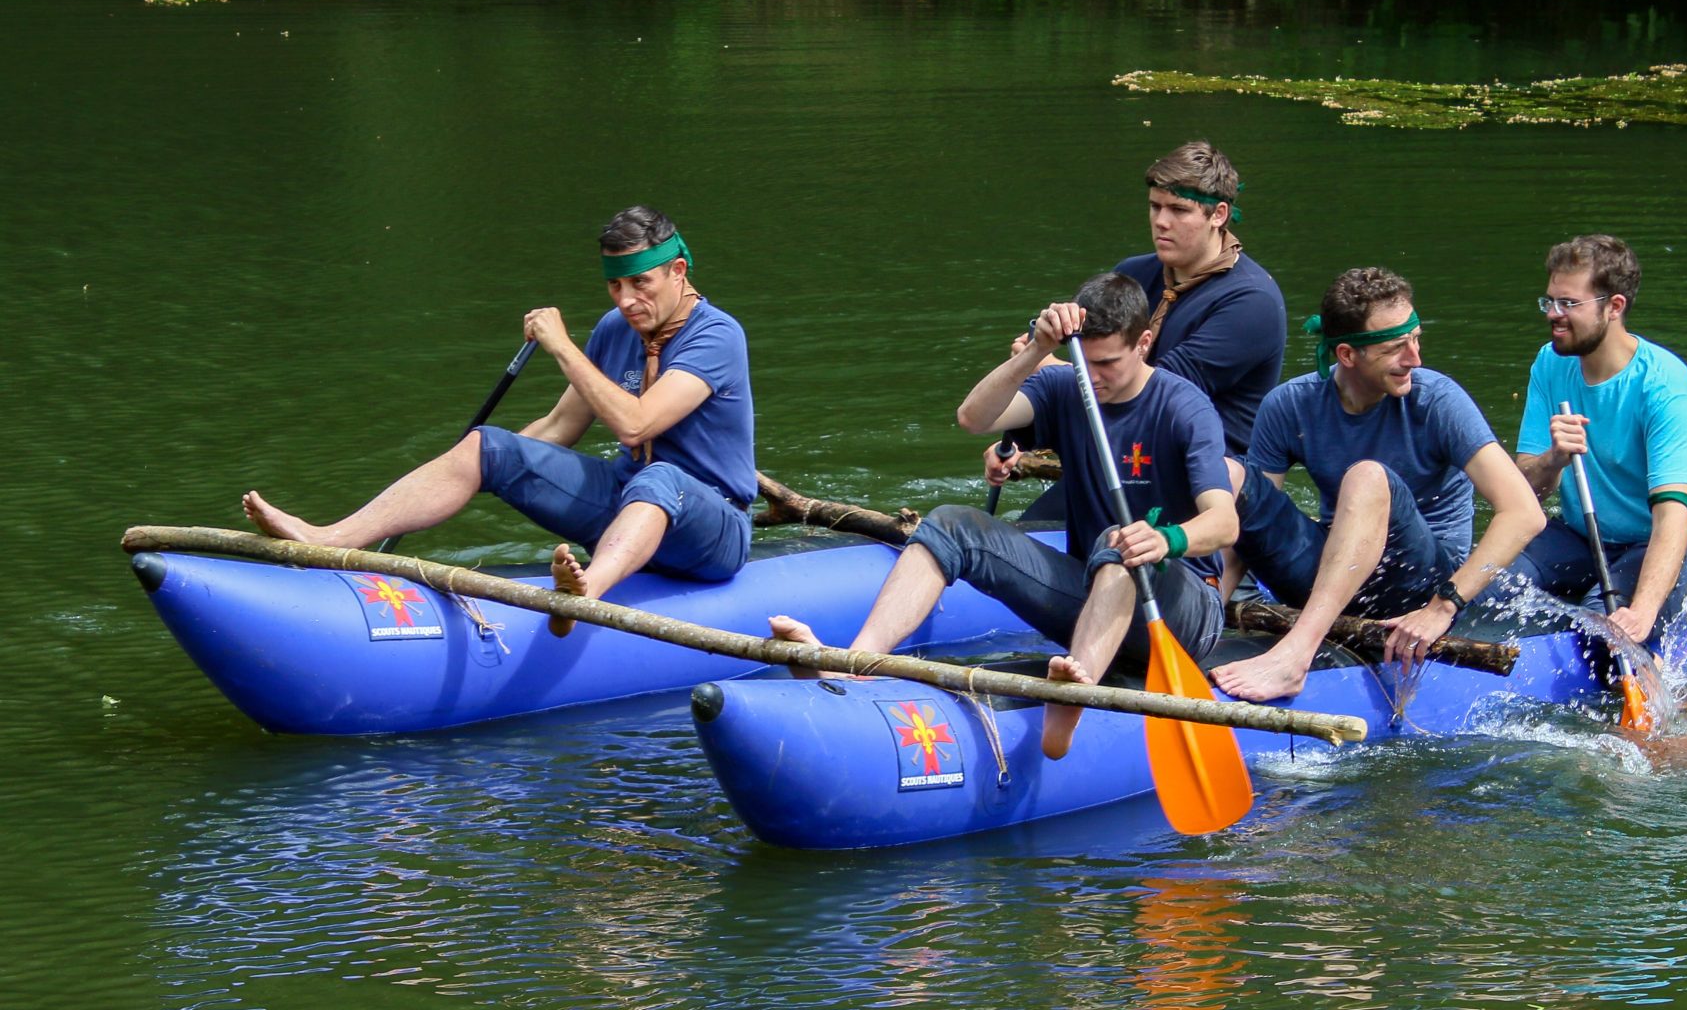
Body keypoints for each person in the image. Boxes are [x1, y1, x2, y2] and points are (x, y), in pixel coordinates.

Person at [771, 272, 1236, 759]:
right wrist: (1038, 349)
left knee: (1120, 543)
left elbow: (1224, 522)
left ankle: (1072, 699)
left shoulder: (1184, 406)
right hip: (1092, 592)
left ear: (1143, 343)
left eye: (1108, 364)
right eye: (1085, 362)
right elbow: (974, 418)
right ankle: (855, 665)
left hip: (1182, 612)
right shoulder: (1069, 386)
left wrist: (1166, 539)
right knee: (952, 522)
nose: (1094, 376)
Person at [242, 205, 755, 634]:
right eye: (615, 285)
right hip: (628, 503)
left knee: (661, 477)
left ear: (678, 271)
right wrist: (489, 468)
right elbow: (559, 428)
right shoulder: (616, 327)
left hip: (713, 529)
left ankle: (583, 598)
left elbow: (636, 426)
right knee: (489, 444)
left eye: (640, 283)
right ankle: (327, 541)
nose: (625, 301)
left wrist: (561, 346)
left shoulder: (717, 336)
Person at [1210, 267, 1546, 703]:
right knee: (1229, 475)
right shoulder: (1290, 404)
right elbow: (1246, 526)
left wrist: (1442, 608)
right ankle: (1199, 613)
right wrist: (1214, 600)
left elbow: (1524, 513)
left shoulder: (1437, 400)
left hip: (1417, 584)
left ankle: (1295, 656)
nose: (1415, 358)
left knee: (1367, 476)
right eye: (1395, 348)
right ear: (1347, 355)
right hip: (1336, 572)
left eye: (1416, 339)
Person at [1000, 140, 1287, 517]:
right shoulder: (1133, 273)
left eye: (1178, 210)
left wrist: (1049, 370)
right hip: (1120, 455)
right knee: (1022, 541)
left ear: (1218, 214)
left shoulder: (1252, 302)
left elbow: (1156, 393)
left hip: (1198, 480)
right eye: (1155, 206)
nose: (1161, 221)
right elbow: (1093, 365)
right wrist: (1022, 440)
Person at [1492, 234, 1687, 644]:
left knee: (1602, 631)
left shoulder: (1663, 382)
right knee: (1488, 588)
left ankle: (1663, 661)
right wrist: (1554, 458)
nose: (1553, 314)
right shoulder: (1550, 363)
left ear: (1614, 307)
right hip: (1586, 537)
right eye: (1549, 301)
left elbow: (1674, 513)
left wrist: (1642, 613)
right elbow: (1526, 488)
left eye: (1569, 304)